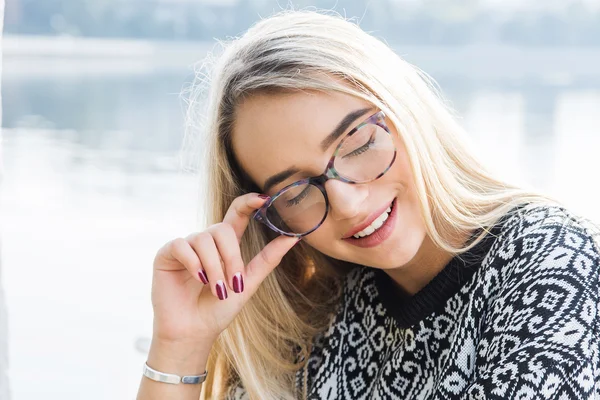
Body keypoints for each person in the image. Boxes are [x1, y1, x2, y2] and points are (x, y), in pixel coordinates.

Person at [136, 9, 600, 400]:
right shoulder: (317, 317)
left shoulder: (551, 261)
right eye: (293, 192)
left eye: (357, 143)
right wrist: (180, 345)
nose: (347, 203)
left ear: (407, 112)